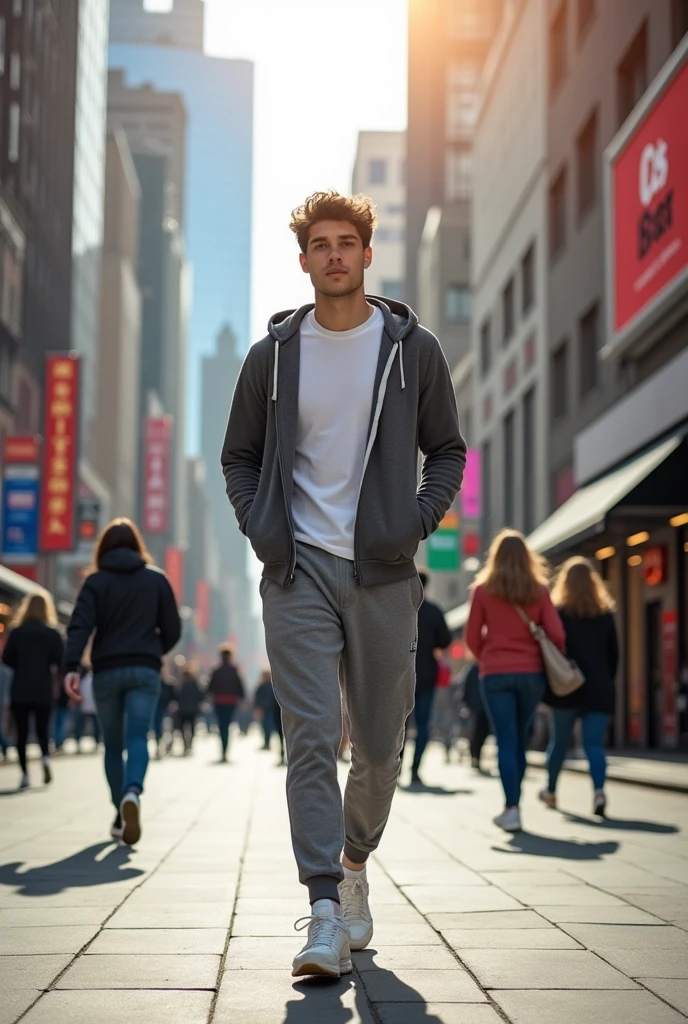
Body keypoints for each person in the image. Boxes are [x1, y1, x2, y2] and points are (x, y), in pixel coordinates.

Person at [222, 190, 465, 978]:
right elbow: (240, 457)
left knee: (382, 745)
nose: (334, 254)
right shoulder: (273, 357)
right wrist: (261, 527)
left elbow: (448, 449)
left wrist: (416, 521)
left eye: (346, 242)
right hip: (296, 569)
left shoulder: (411, 349)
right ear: (304, 262)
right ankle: (323, 907)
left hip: (385, 571)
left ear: (367, 255)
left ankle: (355, 861)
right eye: (320, 244)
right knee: (311, 737)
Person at [63, 518, 181, 845]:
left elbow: (79, 626)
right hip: (144, 670)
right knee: (138, 736)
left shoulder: (95, 582)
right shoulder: (157, 580)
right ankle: (133, 793)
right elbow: (172, 628)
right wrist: (154, 649)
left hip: (106, 671)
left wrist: (71, 666)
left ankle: (119, 810)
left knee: (112, 743)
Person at [466, 529, 565, 833]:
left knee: (505, 741)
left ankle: (512, 808)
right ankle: (515, 804)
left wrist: (490, 656)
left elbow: (471, 638)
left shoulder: (482, 591)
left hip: (495, 674)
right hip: (531, 675)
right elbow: (558, 635)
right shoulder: (538, 589)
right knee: (520, 740)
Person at [540, 557, 619, 817]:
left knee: (559, 743)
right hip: (599, 689)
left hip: (567, 687)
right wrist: (605, 681)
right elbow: (614, 657)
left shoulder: (559, 614)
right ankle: (598, 792)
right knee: (593, 745)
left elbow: (551, 651)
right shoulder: (605, 615)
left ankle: (551, 791)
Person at [2, 593, 63, 789]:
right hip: (43, 688)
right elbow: (58, 660)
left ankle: (25, 774)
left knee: (22, 733)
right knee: (42, 730)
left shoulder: (16, 632)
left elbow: (7, 659)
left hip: (20, 688)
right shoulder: (52, 633)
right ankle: (45, 758)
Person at [407, 570, 452, 786]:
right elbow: (445, 640)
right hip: (426, 675)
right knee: (423, 724)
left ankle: (394, 770)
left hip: (401, 674)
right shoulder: (434, 611)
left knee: (399, 724)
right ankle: (415, 771)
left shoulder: (401, 610)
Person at [207, 644, 246, 761]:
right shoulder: (234, 671)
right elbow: (240, 688)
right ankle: (225, 750)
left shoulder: (216, 671)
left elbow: (209, 688)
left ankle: (223, 750)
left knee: (221, 726)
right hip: (230, 702)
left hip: (219, 701)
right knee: (227, 726)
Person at [462, 657, 491, 771]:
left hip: (486, 708)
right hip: (474, 708)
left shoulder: (489, 669)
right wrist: (466, 705)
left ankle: (476, 756)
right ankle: (474, 757)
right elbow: (466, 688)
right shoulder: (473, 669)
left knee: (483, 733)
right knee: (474, 733)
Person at [254, 668, 284, 763]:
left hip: (269, 710)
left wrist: (258, 707)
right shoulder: (273, 686)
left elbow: (257, 698)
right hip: (274, 710)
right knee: (274, 730)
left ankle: (269, 743)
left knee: (267, 727)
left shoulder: (264, 686)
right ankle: (280, 752)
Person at [176, 662, 204, 755]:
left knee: (183, 728)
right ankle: (190, 745)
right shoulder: (194, 683)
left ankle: (185, 745)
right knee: (192, 727)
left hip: (183, 709)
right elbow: (200, 695)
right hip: (192, 709)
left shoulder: (181, 684)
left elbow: (176, 695)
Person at [73, 662, 102, 753]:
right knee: (92, 726)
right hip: (92, 707)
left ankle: (81, 742)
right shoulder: (92, 680)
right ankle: (95, 742)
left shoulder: (84, 681)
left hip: (87, 707)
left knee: (83, 726)